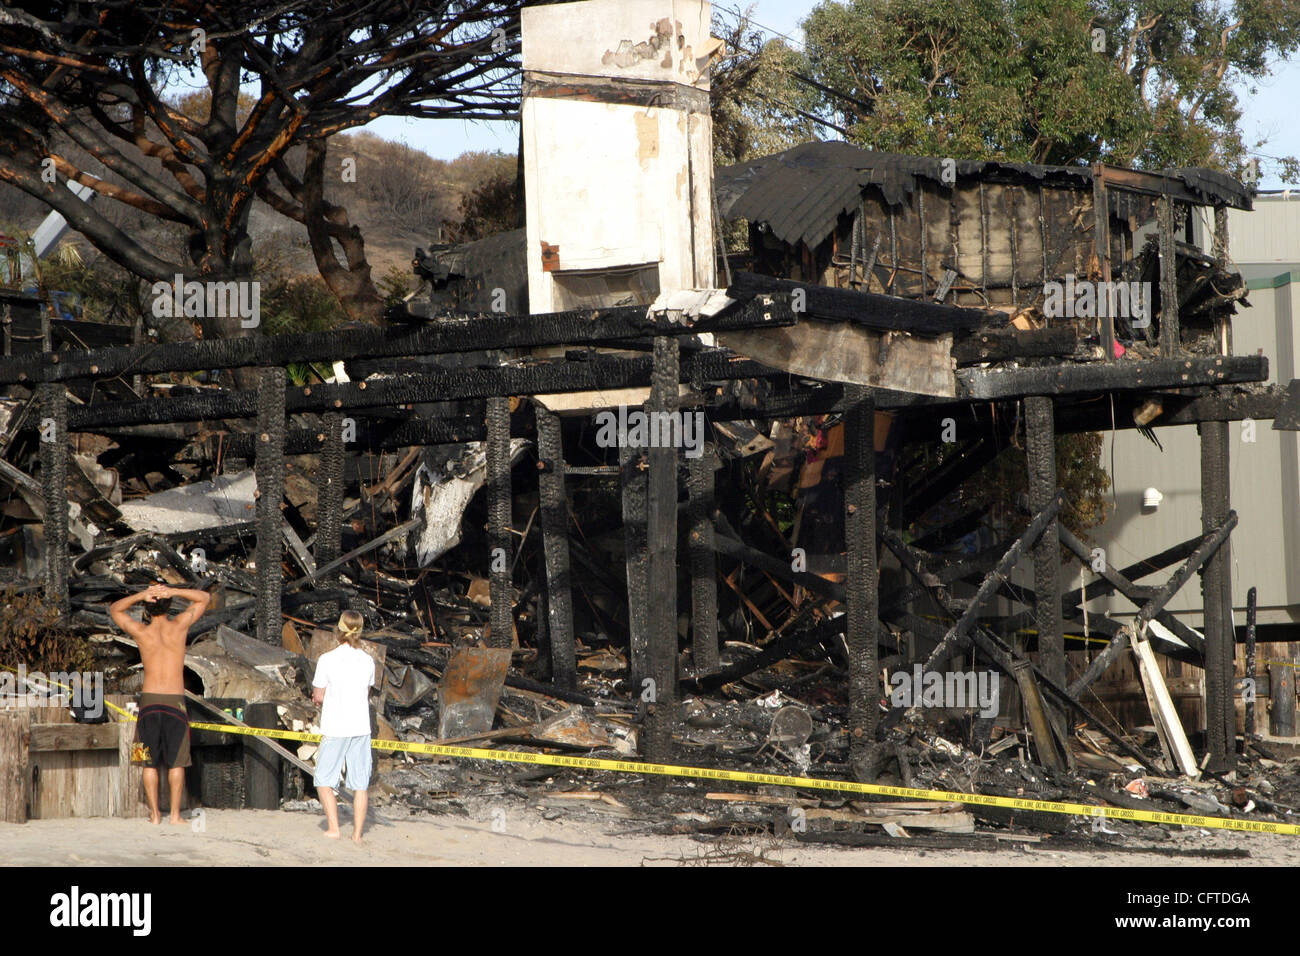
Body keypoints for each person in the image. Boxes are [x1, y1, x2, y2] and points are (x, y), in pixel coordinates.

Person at [109, 583, 211, 825]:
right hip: (176, 702)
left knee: (147, 761)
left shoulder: (142, 632)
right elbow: (204, 598)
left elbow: (115, 609)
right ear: (169, 606)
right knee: (178, 761)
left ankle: (155, 815)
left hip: (149, 702)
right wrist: (173, 591)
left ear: (146, 607)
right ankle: (175, 815)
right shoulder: (179, 627)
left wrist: (141, 594)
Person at [311, 610, 376, 842]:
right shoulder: (368, 660)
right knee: (360, 784)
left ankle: (334, 828)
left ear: (338, 630)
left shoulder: (327, 659)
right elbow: (366, 692)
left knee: (323, 779)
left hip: (335, 726)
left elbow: (318, 695)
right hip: (360, 727)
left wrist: (320, 698)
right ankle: (357, 835)